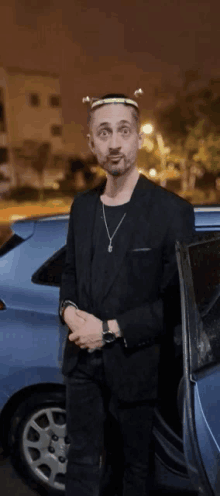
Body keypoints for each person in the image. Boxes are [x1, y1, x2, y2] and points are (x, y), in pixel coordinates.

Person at [59, 91, 195, 496]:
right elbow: (69, 273)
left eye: (123, 131)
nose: (114, 143)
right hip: (82, 365)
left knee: (134, 470)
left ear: (138, 138)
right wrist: (68, 311)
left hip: (136, 365)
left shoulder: (172, 210)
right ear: (91, 143)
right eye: (104, 133)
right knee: (81, 463)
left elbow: (176, 303)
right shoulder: (82, 208)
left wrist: (111, 329)